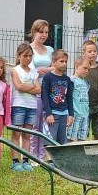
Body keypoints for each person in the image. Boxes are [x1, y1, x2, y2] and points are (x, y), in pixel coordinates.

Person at [10, 42, 39, 171]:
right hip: (19, 105)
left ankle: (26, 160)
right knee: (16, 134)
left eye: (30, 56)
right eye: (25, 55)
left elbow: (39, 89)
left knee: (27, 135)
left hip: (32, 106)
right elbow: (18, 87)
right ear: (18, 56)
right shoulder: (15, 70)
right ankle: (15, 161)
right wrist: (31, 87)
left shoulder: (34, 72)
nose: (28, 58)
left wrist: (26, 87)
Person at [29, 20, 55, 157]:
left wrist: (42, 69)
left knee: (46, 125)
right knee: (35, 124)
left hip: (49, 90)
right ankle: (32, 155)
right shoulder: (29, 49)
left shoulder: (50, 50)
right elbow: (31, 71)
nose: (44, 35)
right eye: (41, 32)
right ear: (34, 32)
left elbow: (55, 68)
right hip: (34, 90)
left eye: (46, 32)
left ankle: (42, 155)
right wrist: (41, 70)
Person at [41, 50, 75, 144]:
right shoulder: (48, 77)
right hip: (52, 114)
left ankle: (58, 159)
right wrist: (48, 113)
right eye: (61, 61)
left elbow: (69, 97)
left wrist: (71, 114)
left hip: (64, 114)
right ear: (54, 62)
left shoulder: (67, 79)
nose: (64, 64)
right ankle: (49, 159)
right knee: (50, 142)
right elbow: (44, 96)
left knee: (62, 142)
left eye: (65, 61)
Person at [82, 40, 98, 140]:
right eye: (89, 51)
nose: (92, 53)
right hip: (84, 105)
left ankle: (96, 151)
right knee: (84, 131)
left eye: (95, 51)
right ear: (83, 53)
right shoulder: (82, 69)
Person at [70, 55, 92, 142]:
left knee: (82, 139)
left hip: (85, 115)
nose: (87, 71)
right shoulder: (72, 80)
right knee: (71, 138)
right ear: (76, 66)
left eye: (88, 69)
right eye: (85, 68)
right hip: (75, 115)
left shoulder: (85, 82)